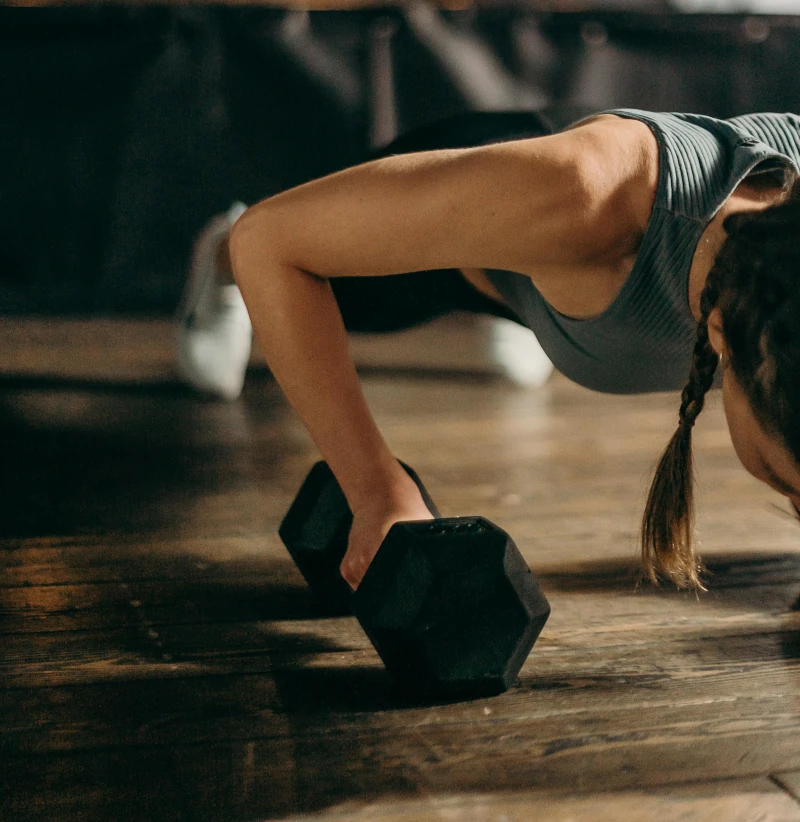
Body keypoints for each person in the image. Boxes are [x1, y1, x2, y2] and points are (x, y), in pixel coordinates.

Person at [219, 107, 798, 592]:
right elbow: (269, 242)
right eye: (792, 492)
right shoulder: (590, 199)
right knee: (277, 256)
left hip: (554, 246)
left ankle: (533, 304)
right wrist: (377, 491)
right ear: (722, 335)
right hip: (490, 202)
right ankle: (210, 252)